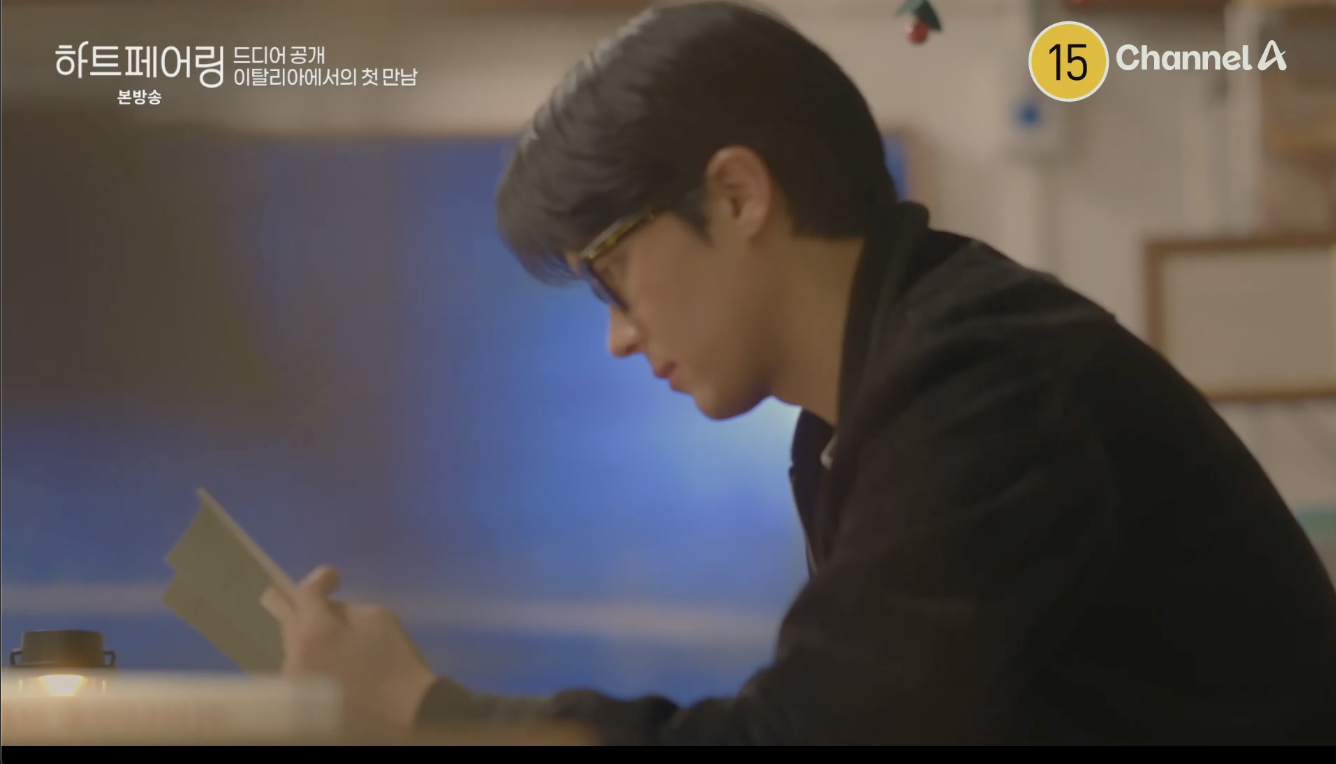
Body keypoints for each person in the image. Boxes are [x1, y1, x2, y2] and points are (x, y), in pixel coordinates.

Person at [260, 0, 1336, 745]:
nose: (619, 336)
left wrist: (422, 707)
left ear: (737, 194)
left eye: (611, 276)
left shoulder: (984, 381)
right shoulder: (856, 418)